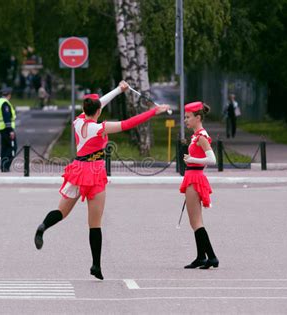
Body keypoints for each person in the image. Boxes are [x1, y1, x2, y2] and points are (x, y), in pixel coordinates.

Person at [33, 81, 171, 280]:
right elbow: (128, 124)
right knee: (95, 223)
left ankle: (43, 227)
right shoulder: (100, 128)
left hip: (77, 170)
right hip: (94, 172)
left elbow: (99, 103)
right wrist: (153, 111)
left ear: (84, 108)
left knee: (62, 212)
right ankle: (96, 265)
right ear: (98, 111)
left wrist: (118, 90)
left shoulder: (78, 121)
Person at [180, 101, 219, 269]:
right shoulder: (196, 135)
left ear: (198, 117)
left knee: (196, 221)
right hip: (192, 176)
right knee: (195, 220)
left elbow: (212, 160)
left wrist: (192, 159)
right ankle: (201, 256)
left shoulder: (201, 136)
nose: (185, 120)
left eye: (188, 117)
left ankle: (211, 257)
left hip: (195, 178)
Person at [0, 87, 16, 172]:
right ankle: (5, 166)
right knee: (12, 147)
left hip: (2, 127)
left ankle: (3, 166)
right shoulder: (5, 104)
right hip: (6, 128)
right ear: (9, 95)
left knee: (5, 147)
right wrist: (10, 130)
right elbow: (7, 117)